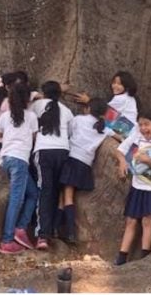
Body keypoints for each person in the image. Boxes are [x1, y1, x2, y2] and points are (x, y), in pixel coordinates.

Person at [113, 107, 151, 266]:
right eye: (141, 125)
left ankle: (145, 256)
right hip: (137, 187)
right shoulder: (136, 136)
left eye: (147, 124)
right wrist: (122, 162)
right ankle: (121, 257)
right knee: (131, 221)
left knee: (147, 221)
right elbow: (120, 150)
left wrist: (148, 161)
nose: (143, 128)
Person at [0, 83, 40, 255]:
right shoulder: (32, 116)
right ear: (28, 99)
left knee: (33, 194)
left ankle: (20, 228)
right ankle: (6, 240)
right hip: (20, 160)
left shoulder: (6, 116)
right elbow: (34, 137)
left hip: (6, 159)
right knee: (16, 200)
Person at [56, 97, 111, 244]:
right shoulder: (104, 127)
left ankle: (69, 232)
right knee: (63, 195)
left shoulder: (79, 119)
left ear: (87, 109)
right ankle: (58, 229)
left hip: (72, 159)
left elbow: (67, 132)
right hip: (85, 164)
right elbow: (119, 135)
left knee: (67, 196)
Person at [29, 81, 74, 250]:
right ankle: (56, 229)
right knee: (57, 192)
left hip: (43, 152)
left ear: (43, 92)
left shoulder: (37, 105)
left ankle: (43, 235)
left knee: (45, 192)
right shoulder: (67, 111)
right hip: (63, 151)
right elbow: (70, 133)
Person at [75, 71, 140, 137]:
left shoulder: (121, 98)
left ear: (127, 86)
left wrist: (88, 101)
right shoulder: (130, 98)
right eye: (114, 82)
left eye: (119, 84)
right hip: (129, 128)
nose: (115, 86)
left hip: (125, 128)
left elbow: (103, 110)